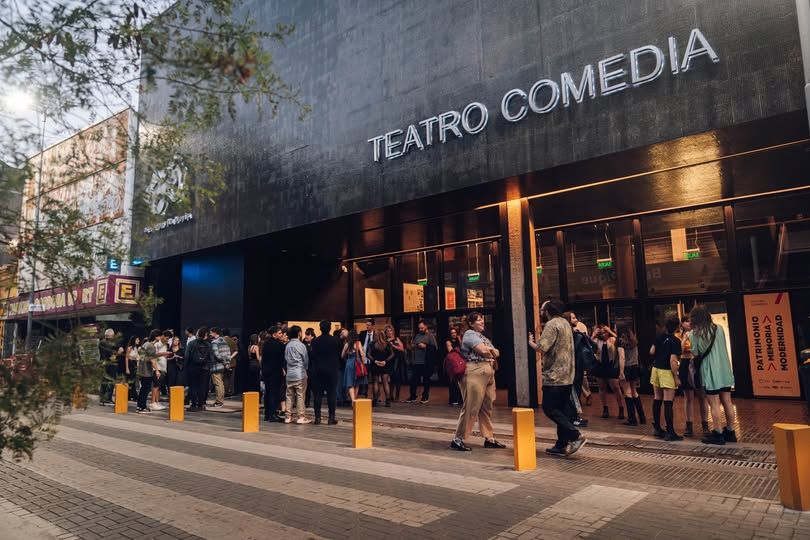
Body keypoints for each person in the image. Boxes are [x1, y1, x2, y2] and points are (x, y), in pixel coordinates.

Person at [530, 301, 587, 456]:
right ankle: (561, 444)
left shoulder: (551, 324)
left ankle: (575, 435)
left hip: (554, 376)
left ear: (547, 311)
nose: (541, 312)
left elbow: (542, 347)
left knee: (549, 408)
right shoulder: (566, 323)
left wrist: (531, 342)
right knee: (562, 409)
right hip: (567, 375)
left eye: (542, 310)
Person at [450, 311, 506, 452]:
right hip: (475, 372)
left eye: (482, 319)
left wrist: (491, 351)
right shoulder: (469, 334)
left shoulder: (482, 337)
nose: (482, 322)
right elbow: (484, 351)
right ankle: (458, 439)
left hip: (488, 372)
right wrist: (491, 350)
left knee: (487, 407)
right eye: (479, 320)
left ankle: (489, 438)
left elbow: (497, 352)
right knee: (471, 407)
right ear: (471, 323)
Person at [688, 305, 737, 445]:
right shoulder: (719, 328)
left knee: (714, 403)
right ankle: (731, 431)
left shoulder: (694, 334)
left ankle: (718, 433)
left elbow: (696, 352)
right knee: (727, 401)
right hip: (724, 369)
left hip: (710, 371)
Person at [649, 316, 684, 441]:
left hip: (656, 369)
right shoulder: (676, 341)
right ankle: (670, 432)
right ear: (677, 328)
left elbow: (651, 351)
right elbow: (673, 360)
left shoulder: (659, 337)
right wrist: (676, 377)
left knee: (657, 398)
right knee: (668, 402)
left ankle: (657, 428)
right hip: (666, 372)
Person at [677, 316, 708, 437]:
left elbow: (701, 349)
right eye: (686, 321)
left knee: (702, 396)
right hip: (685, 363)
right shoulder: (679, 335)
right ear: (682, 324)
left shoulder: (698, 334)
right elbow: (678, 351)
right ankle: (689, 425)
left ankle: (705, 425)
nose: (689, 323)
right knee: (688, 396)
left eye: (690, 321)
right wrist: (685, 338)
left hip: (696, 363)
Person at [563, 311, 592, 428]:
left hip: (577, 365)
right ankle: (573, 416)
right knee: (573, 391)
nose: (576, 320)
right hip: (573, 366)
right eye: (573, 318)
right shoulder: (571, 334)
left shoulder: (576, 332)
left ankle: (575, 416)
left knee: (577, 391)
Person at [309, 320, 342, 425]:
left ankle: (317, 417)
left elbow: (312, 356)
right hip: (332, 370)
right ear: (330, 328)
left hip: (318, 370)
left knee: (317, 394)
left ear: (320, 328)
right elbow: (339, 354)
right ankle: (331, 417)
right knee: (331, 394)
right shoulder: (336, 340)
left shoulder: (315, 341)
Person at [591, 324, 625, 419]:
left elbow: (620, 341)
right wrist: (594, 334)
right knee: (602, 388)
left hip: (611, 366)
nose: (603, 334)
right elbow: (589, 343)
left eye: (605, 332)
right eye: (601, 332)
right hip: (600, 366)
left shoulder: (612, 339)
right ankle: (605, 408)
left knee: (616, 388)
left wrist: (610, 331)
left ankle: (621, 408)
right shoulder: (597, 341)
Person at [618, 328, 645, 426]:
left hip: (626, 368)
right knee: (634, 391)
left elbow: (622, 357)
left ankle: (632, 418)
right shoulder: (634, 341)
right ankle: (642, 417)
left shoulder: (620, 342)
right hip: (635, 367)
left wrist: (621, 372)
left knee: (627, 392)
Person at [284, 325, 311, 424]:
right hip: (300, 373)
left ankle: (288, 417)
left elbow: (286, 358)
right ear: (299, 333)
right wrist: (305, 369)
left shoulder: (287, 345)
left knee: (289, 395)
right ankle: (300, 416)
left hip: (289, 374)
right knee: (300, 395)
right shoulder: (301, 345)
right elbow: (306, 360)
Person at [407, 320, 437, 403]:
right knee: (413, 380)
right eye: (419, 328)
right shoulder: (417, 335)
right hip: (416, 361)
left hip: (425, 362)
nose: (420, 329)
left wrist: (425, 346)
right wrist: (412, 346)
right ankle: (413, 396)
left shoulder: (430, 336)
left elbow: (435, 348)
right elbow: (413, 345)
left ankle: (425, 396)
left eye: (422, 328)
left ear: (426, 327)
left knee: (426, 380)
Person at [261, 326, 287, 422]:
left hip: (266, 371)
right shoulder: (279, 345)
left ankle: (267, 414)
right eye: (279, 333)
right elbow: (282, 359)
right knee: (274, 393)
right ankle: (273, 414)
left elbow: (263, 359)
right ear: (274, 334)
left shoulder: (265, 344)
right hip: (275, 372)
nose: (281, 335)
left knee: (267, 392)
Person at [184, 326, 213, 411]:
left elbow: (187, 356)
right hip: (205, 369)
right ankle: (200, 405)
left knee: (193, 386)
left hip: (193, 368)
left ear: (198, 334)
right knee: (202, 387)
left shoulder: (191, 343)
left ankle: (193, 405)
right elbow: (211, 358)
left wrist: (186, 368)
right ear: (205, 335)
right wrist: (209, 367)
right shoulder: (208, 345)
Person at [137, 330, 162, 413]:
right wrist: (157, 370)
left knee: (143, 389)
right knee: (145, 389)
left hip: (141, 369)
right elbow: (152, 360)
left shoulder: (145, 344)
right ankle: (142, 407)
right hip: (147, 371)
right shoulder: (151, 346)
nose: (160, 338)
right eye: (159, 336)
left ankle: (140, 406)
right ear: (156, 337)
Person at [369, 330, 393, 407]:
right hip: (384, 365)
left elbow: (368, 354)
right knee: (385, 382)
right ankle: (388, 401)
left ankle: (375, 401)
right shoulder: (387, 343)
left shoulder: (372, 344)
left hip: (375, 365)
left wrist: (375, 361)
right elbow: (392, 354)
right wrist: (385, 361)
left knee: (375, 382)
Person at [150, 330, 172, 411]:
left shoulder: (165, 345)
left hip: (163, 368)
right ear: (162, 336)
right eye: (166, 338)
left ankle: (157, 402)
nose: (167, 340)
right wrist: (164, 353)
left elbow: (163, 355)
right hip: (157, 368)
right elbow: (153, 355)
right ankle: (152, 403)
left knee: (159, 386)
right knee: (155, 386)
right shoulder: (156, 344)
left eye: (168, 339)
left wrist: (168, 355)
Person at [342, 330, 366, 402]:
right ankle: (355, 400)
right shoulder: (358, 343)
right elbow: (362, 354)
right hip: (357, 364)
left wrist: (347, 357)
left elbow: (342, 355)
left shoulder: (347, 344)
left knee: (350, 383)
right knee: (357, 383)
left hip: (349, 363)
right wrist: (363, 362)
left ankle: (352, 400)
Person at [98, 328, 121, 405]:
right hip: (110, 364)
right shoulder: (107, 344)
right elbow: (112, 356)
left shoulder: (102, 342)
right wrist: (118, 353)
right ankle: (108, 398)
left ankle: (102, 398)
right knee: (111, 381)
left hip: (104, 363)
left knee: (104, 381)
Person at [209, 327, 229, 407]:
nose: (210, 334)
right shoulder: (224, 341)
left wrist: (224, 362)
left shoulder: (214, 342)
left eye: (211, 332)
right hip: (223, 366)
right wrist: (226, 363)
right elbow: (228, 353)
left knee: (218, 384)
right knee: (221, 383)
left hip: (216, 366)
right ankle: (221, 401)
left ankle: (219, 402)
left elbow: (217, 355)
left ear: (215, 333)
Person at [386, 324, 407, 402]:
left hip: (397, 361)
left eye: (390, 330)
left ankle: (397, 397)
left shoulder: (397, 339)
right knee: (391, 379)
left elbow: (402, 348)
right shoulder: (385, 340)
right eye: (388, 331)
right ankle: (390, 396)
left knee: (397, 379)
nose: (389, 332)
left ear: (393, 331)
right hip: (390, 361)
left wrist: (392, 345)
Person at [446, 327, 464, 406]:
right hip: (452, 363)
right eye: (452, 333)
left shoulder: (459, 341)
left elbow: (463, 349)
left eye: (455, 332)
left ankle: (460, 399)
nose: (453, 334)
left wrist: (460, 339)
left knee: (460, 381)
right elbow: (450, 351)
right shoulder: (448, 342)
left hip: (460, 362)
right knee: (453, 381)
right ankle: (453, 399)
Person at [125, 336, 140, 401]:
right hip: (130, 363)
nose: (138, 341)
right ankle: (134, 396)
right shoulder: (130, 348)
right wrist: (127, 368)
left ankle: (130, 395)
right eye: (137, 340)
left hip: (134, 364)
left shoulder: (135, 348)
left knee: (133, 380)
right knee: (131, 380)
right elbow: (126, 358)